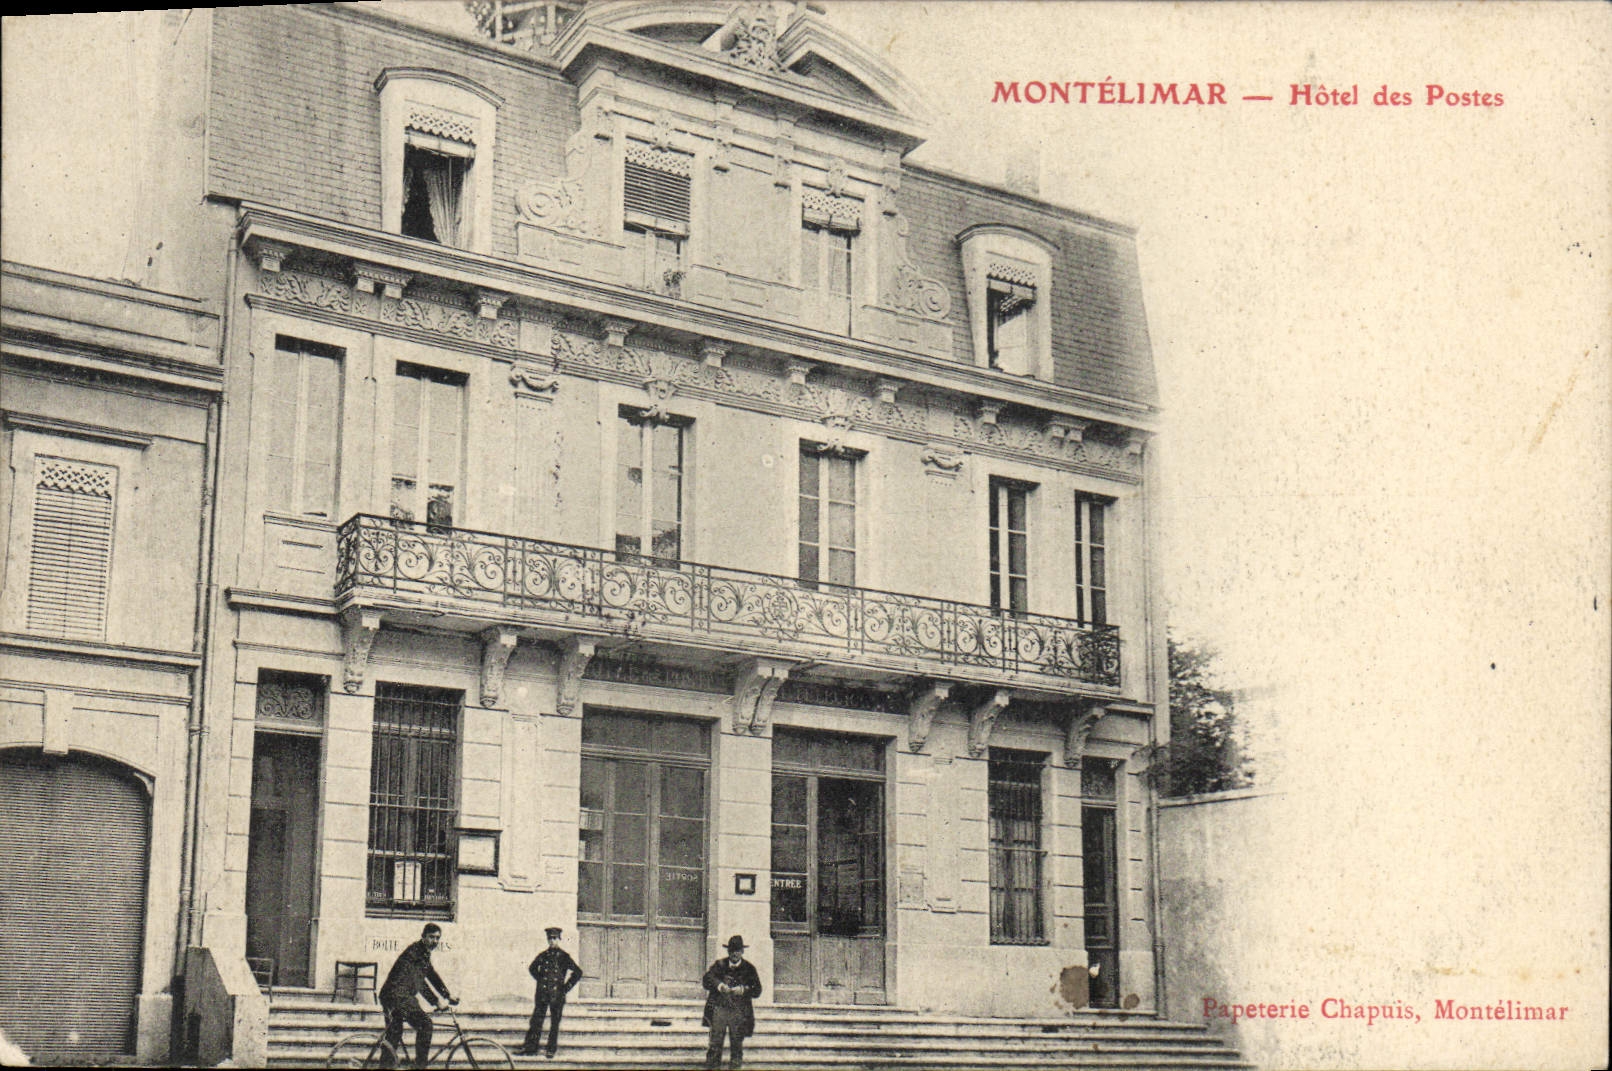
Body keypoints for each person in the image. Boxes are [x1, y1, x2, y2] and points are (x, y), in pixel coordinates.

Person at [378, 923, 454, 1069]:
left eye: (438, 938)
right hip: (396, 997)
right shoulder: (414, 953)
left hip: (396, 996)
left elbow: (431, 975)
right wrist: (437, 1001)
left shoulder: (423, 953)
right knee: (426, 1025)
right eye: (431, 937)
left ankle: (385, 1066)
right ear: (423, 937)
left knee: (394, 1035)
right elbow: (419, 983)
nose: (435, 941)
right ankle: (420, 1066)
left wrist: (447, 995)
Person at [517, 925, 584, 1058]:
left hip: (557, 995)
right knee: (536, 1021)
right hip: (542, 994)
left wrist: (565, 988)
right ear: (547, 940)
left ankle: (551, 1049)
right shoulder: (543, 955)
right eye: (550, 939)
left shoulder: (564, 957)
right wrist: (541, 980)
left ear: (559, 939)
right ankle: (531, 1048)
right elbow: (532, 968)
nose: (552, 941)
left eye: (554, 938)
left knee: (554, 1023)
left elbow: (578, 972)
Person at [701, 935, 762, 1070]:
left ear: (742, 952)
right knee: (715, 1045)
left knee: (736, 1046)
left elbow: (757, 990)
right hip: (720, 1010)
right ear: (728, 951)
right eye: (732, 950)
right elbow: (706, 980)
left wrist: (743, 990)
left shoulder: (749, 968)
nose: (735, 953)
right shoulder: (719, 965)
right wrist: (719, 985)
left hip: (739, 1012)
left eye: (738, 950)